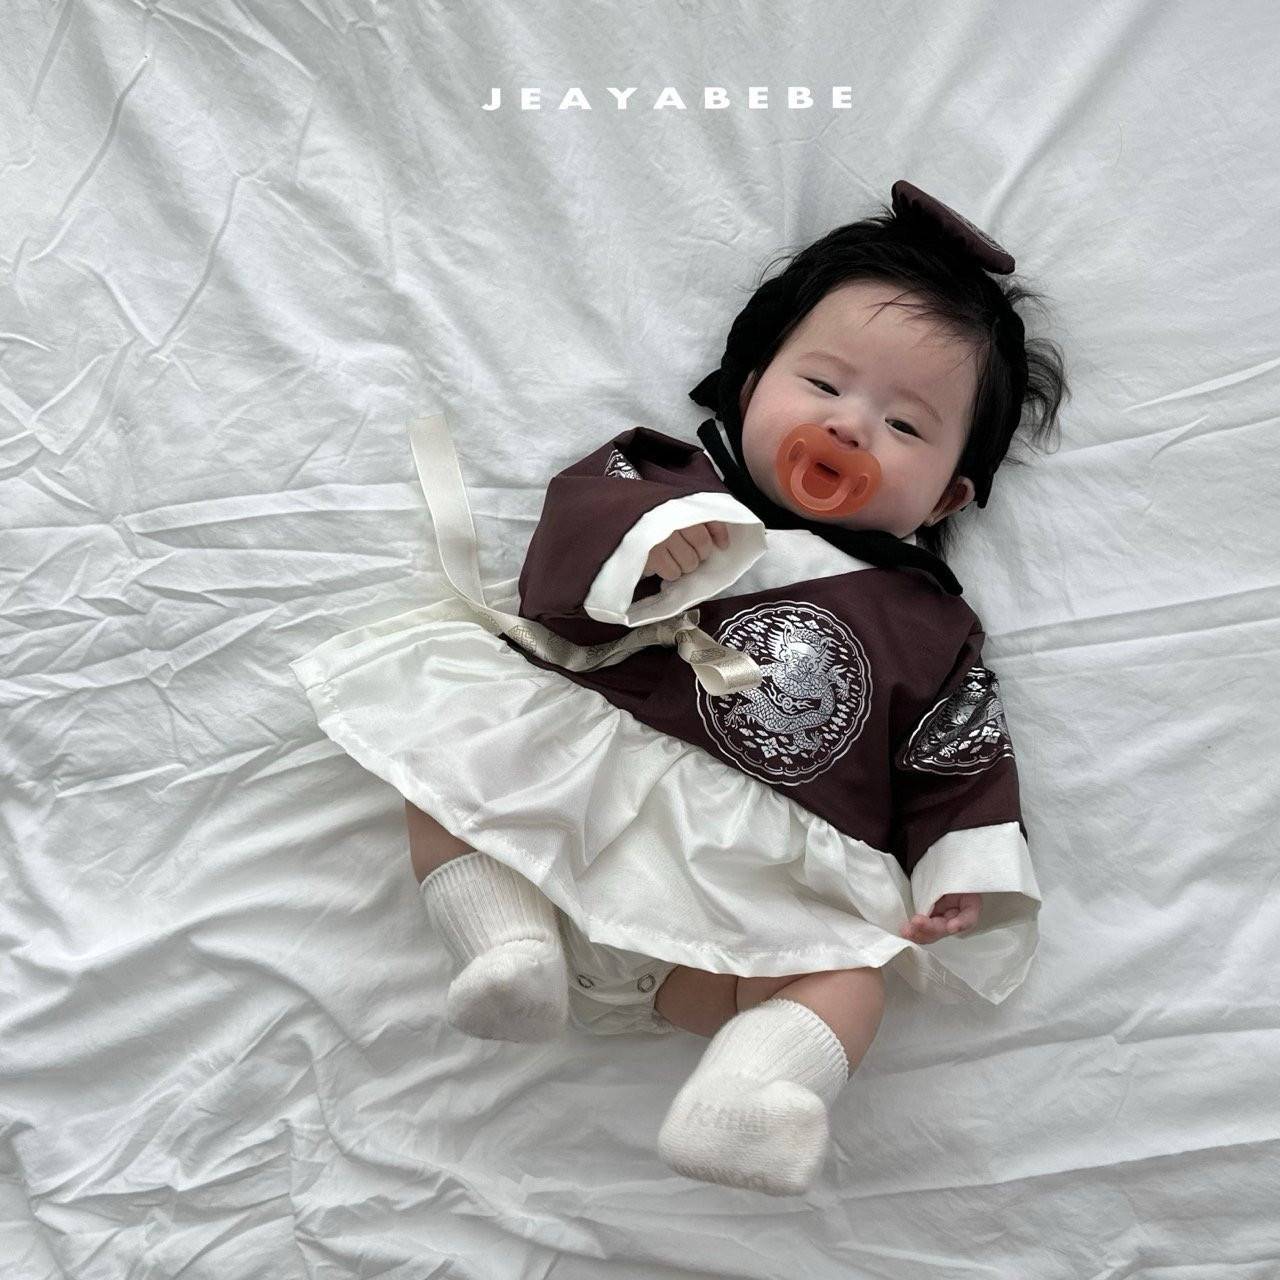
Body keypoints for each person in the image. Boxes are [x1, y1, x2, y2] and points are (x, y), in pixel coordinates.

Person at [291, 180, 1070, 1197]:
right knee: (451, 735)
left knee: (848, 975)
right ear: (748, 386)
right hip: (562, 819)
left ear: (948, 496)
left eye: (904, 426)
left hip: (730, 918)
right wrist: (645, 549)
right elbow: (557, 584)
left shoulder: (930, 627)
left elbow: (958, 761)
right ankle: (504, 941)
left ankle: (745, 1094)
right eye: (822, 383)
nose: (847, 428)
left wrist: (957, 872)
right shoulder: (666, 486)